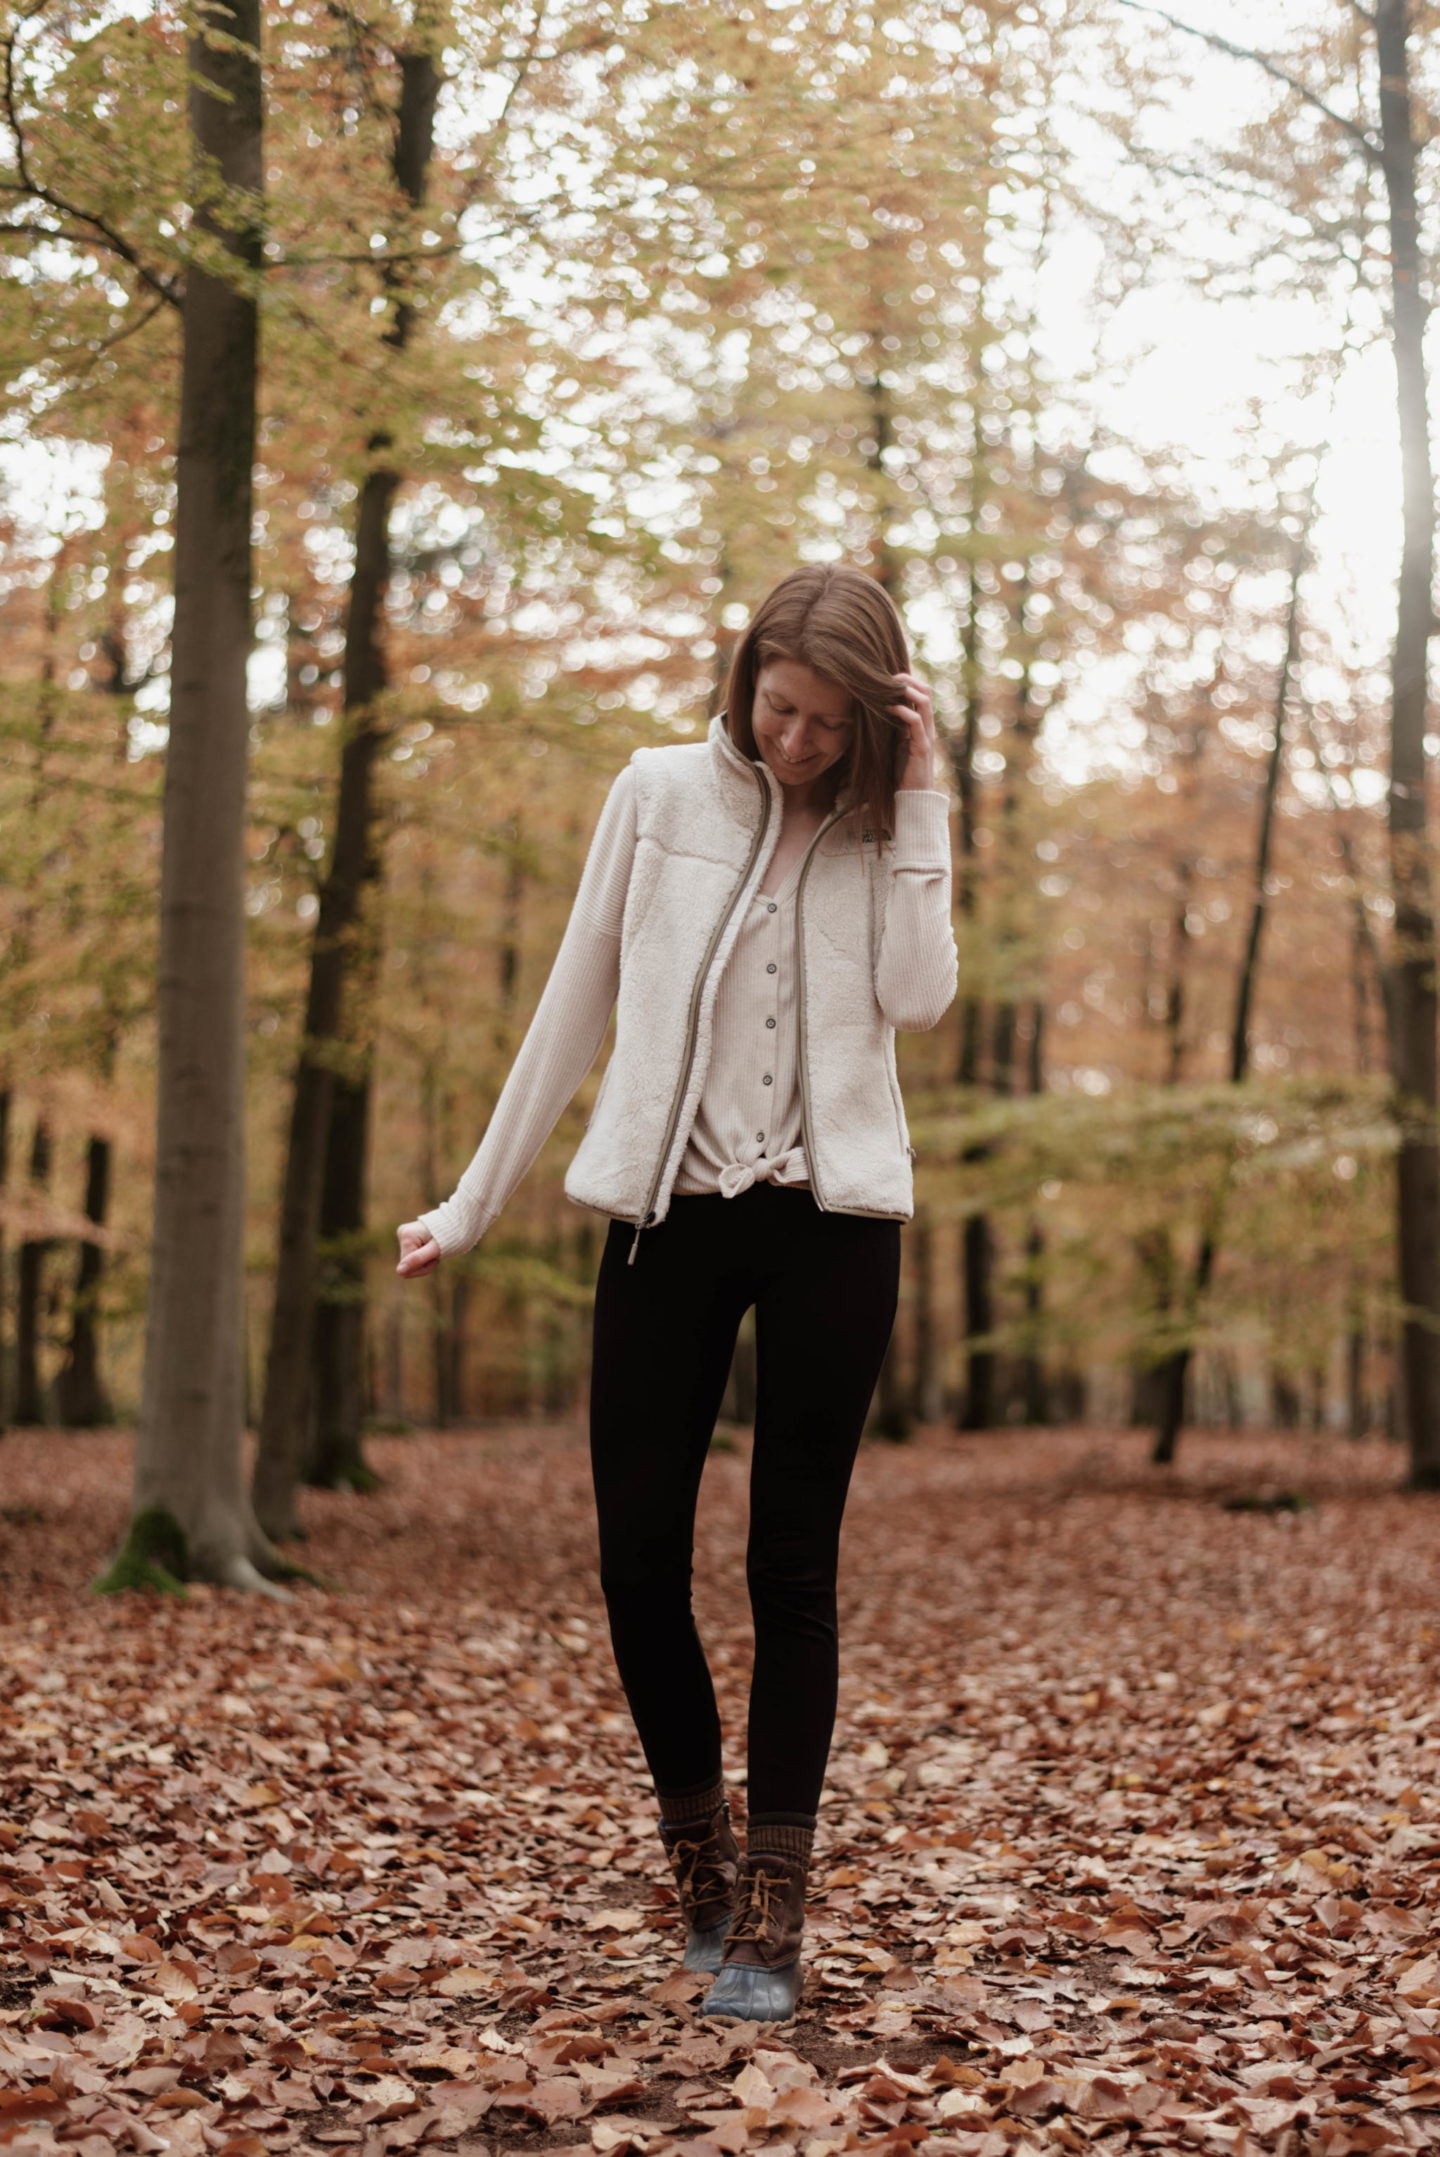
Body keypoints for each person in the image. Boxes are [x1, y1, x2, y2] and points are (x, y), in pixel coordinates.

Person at [396, 564, 958, 2022]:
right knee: (636, 1557)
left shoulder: (883, 819)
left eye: (835, 723)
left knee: (794, 1568)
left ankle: (774, 1912)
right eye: (781, 707)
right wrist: (472, 1198)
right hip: (670, 1221)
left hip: (835, 1224)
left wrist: (922, 804)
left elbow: (921, 995)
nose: (800, 742)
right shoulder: (655, 795)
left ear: (873, 721)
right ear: (745, 676)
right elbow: (574, 996)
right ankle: (698, 1859)